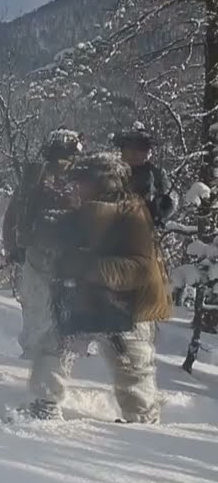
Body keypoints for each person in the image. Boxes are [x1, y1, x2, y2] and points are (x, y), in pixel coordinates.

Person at [25, 152, 170, 422]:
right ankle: (44, 404)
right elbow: (55, 239)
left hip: (129, 310)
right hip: (89, 302)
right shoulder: (85, 210)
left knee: (133, 369)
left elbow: (139, 268)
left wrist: (88, 268)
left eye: (82, 180)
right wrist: (48, 226)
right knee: (55, 348)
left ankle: (143, 425)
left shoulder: (132, 212)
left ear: (102, 182)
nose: (76, 186)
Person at [2, 129, 87, 359]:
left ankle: (32, 364)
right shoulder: (81, 180)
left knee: (36, 312)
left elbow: (12, 216)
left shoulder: (34, 178)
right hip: (71, 260)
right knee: (68, 318)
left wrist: (13, 249)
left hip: (35, 256)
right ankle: (64, 364)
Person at [112, 122, 175, 228]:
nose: (135, 153)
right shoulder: (112, 171)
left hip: (143, 229)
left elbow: (171, 196)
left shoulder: (156, 174)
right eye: (130, 148)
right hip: (111, 227)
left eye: (141, 149)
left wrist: (166, 204)